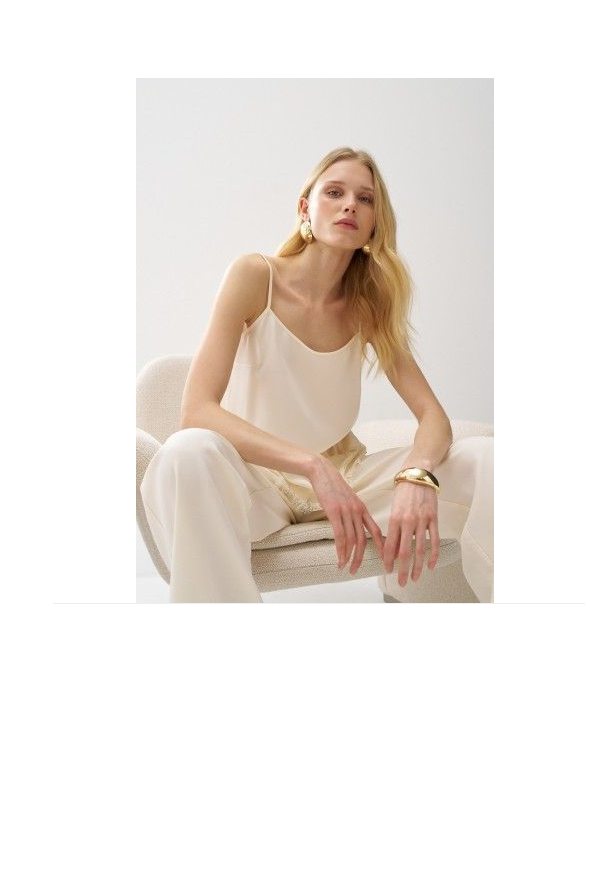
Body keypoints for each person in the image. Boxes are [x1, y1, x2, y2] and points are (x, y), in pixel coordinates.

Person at [140, 147, 494, 602]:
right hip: (254, 483)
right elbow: (197, 412)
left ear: (375, 223)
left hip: (349, 480)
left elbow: (432, 417)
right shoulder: (255, 276)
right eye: (334, 192)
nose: (350, 205)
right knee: (186, 451)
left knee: (488, 460)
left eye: (365, 199)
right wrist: (312, 465)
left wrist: (416, 475)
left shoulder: (369, 305)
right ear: (305, 208)